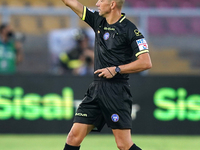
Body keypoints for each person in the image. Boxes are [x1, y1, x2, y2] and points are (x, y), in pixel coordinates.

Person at [61, 0, 152, 150]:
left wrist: (116, 69)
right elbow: (71, 3)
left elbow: (146, 62)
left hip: (116, 91)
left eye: (101, 0)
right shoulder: (98, 21)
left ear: (112, 4)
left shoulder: (130, 30)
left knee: (123, 145)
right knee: (73, 137)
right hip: (95, 89)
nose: (97, 3)